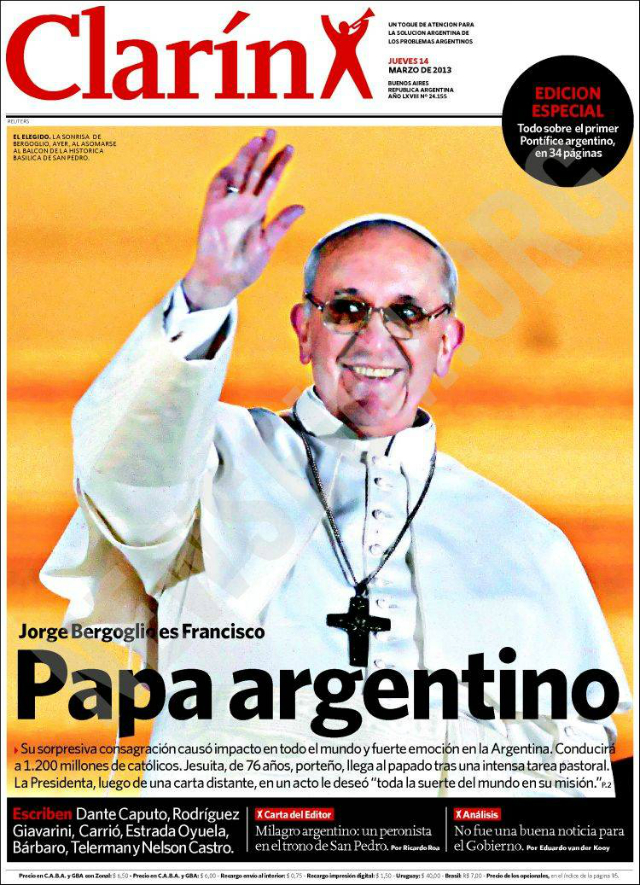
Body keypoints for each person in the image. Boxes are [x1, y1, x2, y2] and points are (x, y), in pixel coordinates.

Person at [41, 130, 630, 796]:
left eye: (407, 313)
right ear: (304, 330)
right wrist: (207, 292)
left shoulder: (524, 542)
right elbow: (124, 472)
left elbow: (575, 767)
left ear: (447, 343)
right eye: (347, 310)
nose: (375, 338)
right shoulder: (211, 465)